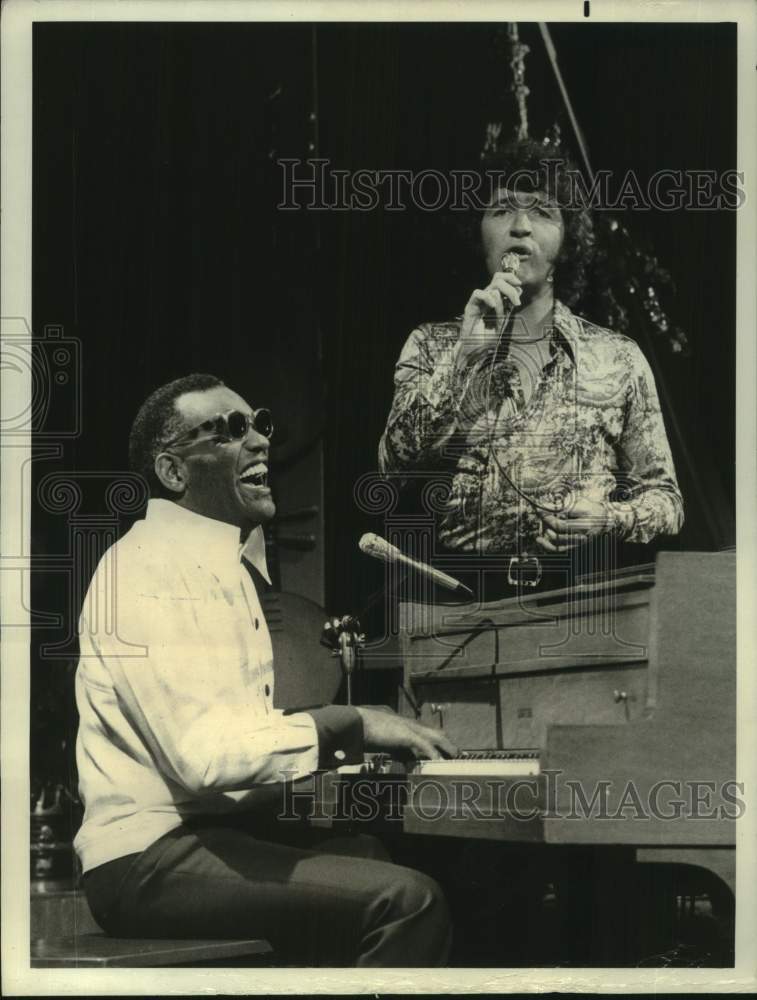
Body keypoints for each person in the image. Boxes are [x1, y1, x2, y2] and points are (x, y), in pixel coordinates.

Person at [74, 373, 455, 967]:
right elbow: (204, 759)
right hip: (145, 858)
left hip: (210, 837)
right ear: (173, 472)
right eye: (229, 431)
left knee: (381, 857)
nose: (259, 443)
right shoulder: (143, 569)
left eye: (260, 424)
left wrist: (352, 731)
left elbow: (235, 730)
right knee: (407, 901)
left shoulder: (220, 565)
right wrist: (348, 723)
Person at [378, 140, 684, 595]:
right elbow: (393, 468)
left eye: (542, 211)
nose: (521, 227)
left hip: (581, 594)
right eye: (501, 210)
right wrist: (464, 357)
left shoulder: (617, 357)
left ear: (568, 237)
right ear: (477, 231)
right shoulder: (431, 344)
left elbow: (667, 502)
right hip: (459, 598)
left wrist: (608, 518)